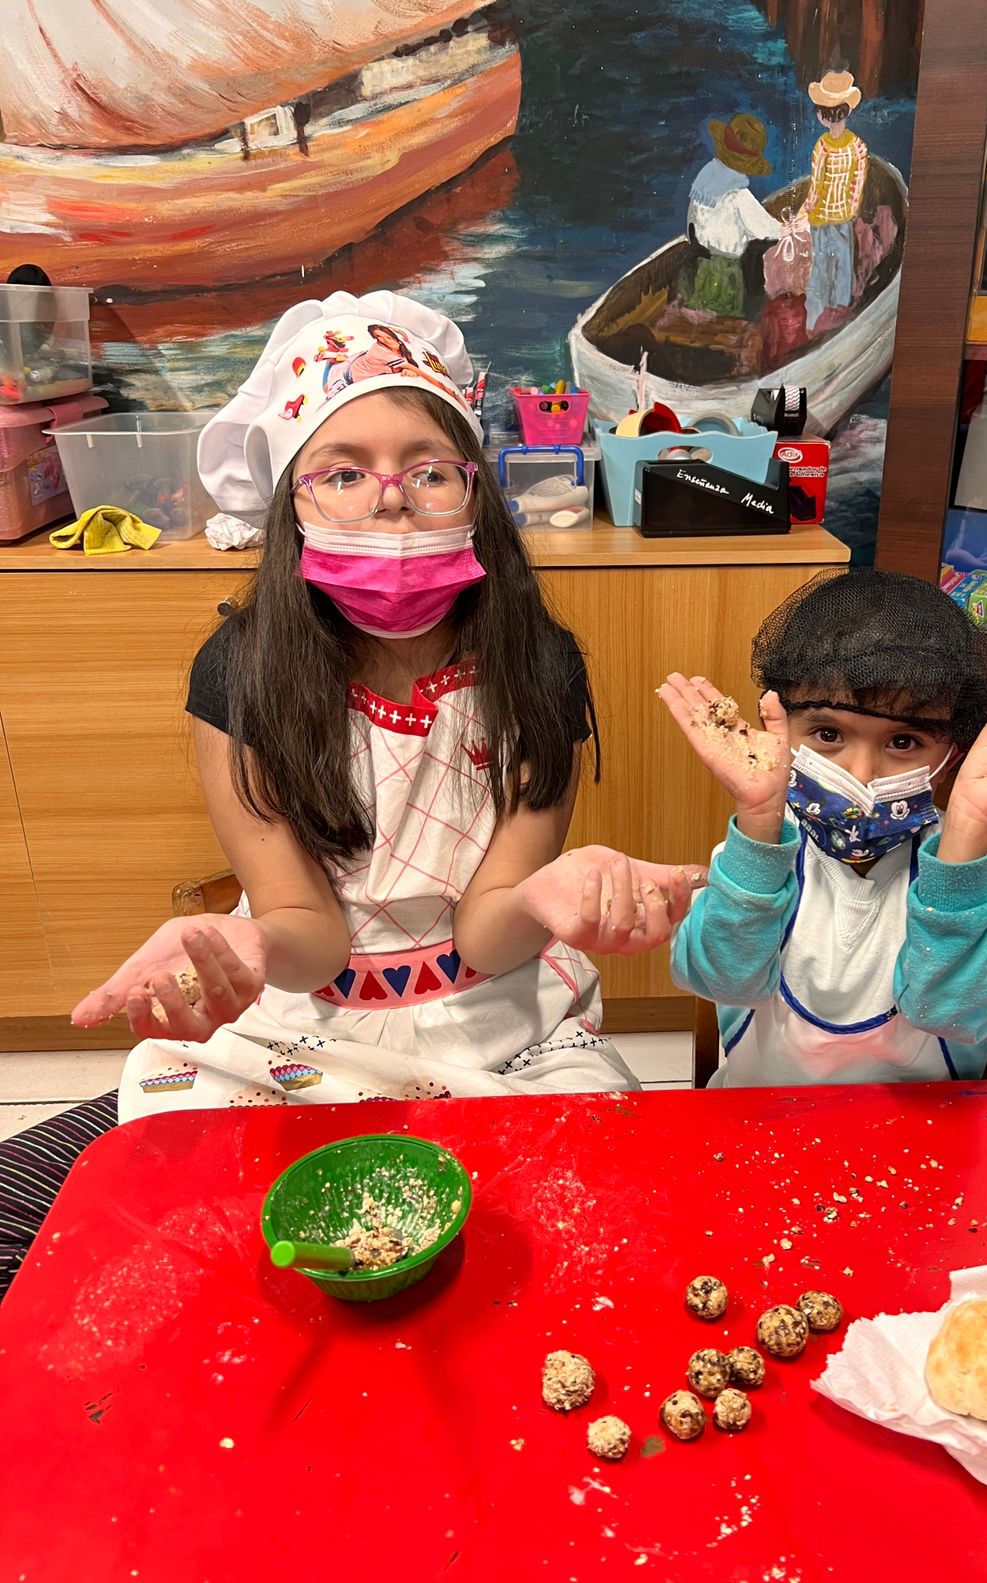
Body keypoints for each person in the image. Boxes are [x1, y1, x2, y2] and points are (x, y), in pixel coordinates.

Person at [0, 289, 699, 1299]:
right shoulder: (241, 673)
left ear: (475, 491)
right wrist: (242, 948)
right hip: (299, 1028)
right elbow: (307, 933)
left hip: (501, 1019)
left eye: (428, 470)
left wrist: (552, 896)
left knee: (592, 1236)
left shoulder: (539, 664)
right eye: (342, 472)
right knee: (197, 1243)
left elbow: (491, 931)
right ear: (291, 501)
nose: (389, 500)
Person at [657, 568, 987, 1086]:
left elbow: (956, 1017)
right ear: (777, 732)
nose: (861, 774)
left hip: (920, 1121)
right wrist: (759, 822)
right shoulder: (758, 851)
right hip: (762, 1109)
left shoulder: (968, 871)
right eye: (828, 733)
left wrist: (968, 827)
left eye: (903, 743)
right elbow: (718, 981)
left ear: (952, 756)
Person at [684, 113, 782, 317]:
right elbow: (768, 230)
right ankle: (753, 315)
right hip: (727, 275)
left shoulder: (705, 178)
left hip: (701, 268)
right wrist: (791, 228)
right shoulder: (738, 195)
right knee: (763, 249)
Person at [800, 71, 869, 330]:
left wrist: (805, 211)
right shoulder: (858, 146)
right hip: (844, 218)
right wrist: (850, 210)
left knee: (820, 269)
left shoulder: (822, 146)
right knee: (843, 268)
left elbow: (816, 187)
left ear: (822, 115)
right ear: (847, 111)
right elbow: (857, 187)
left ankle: (814, 321)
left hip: (820, 218)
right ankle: (839, 317)